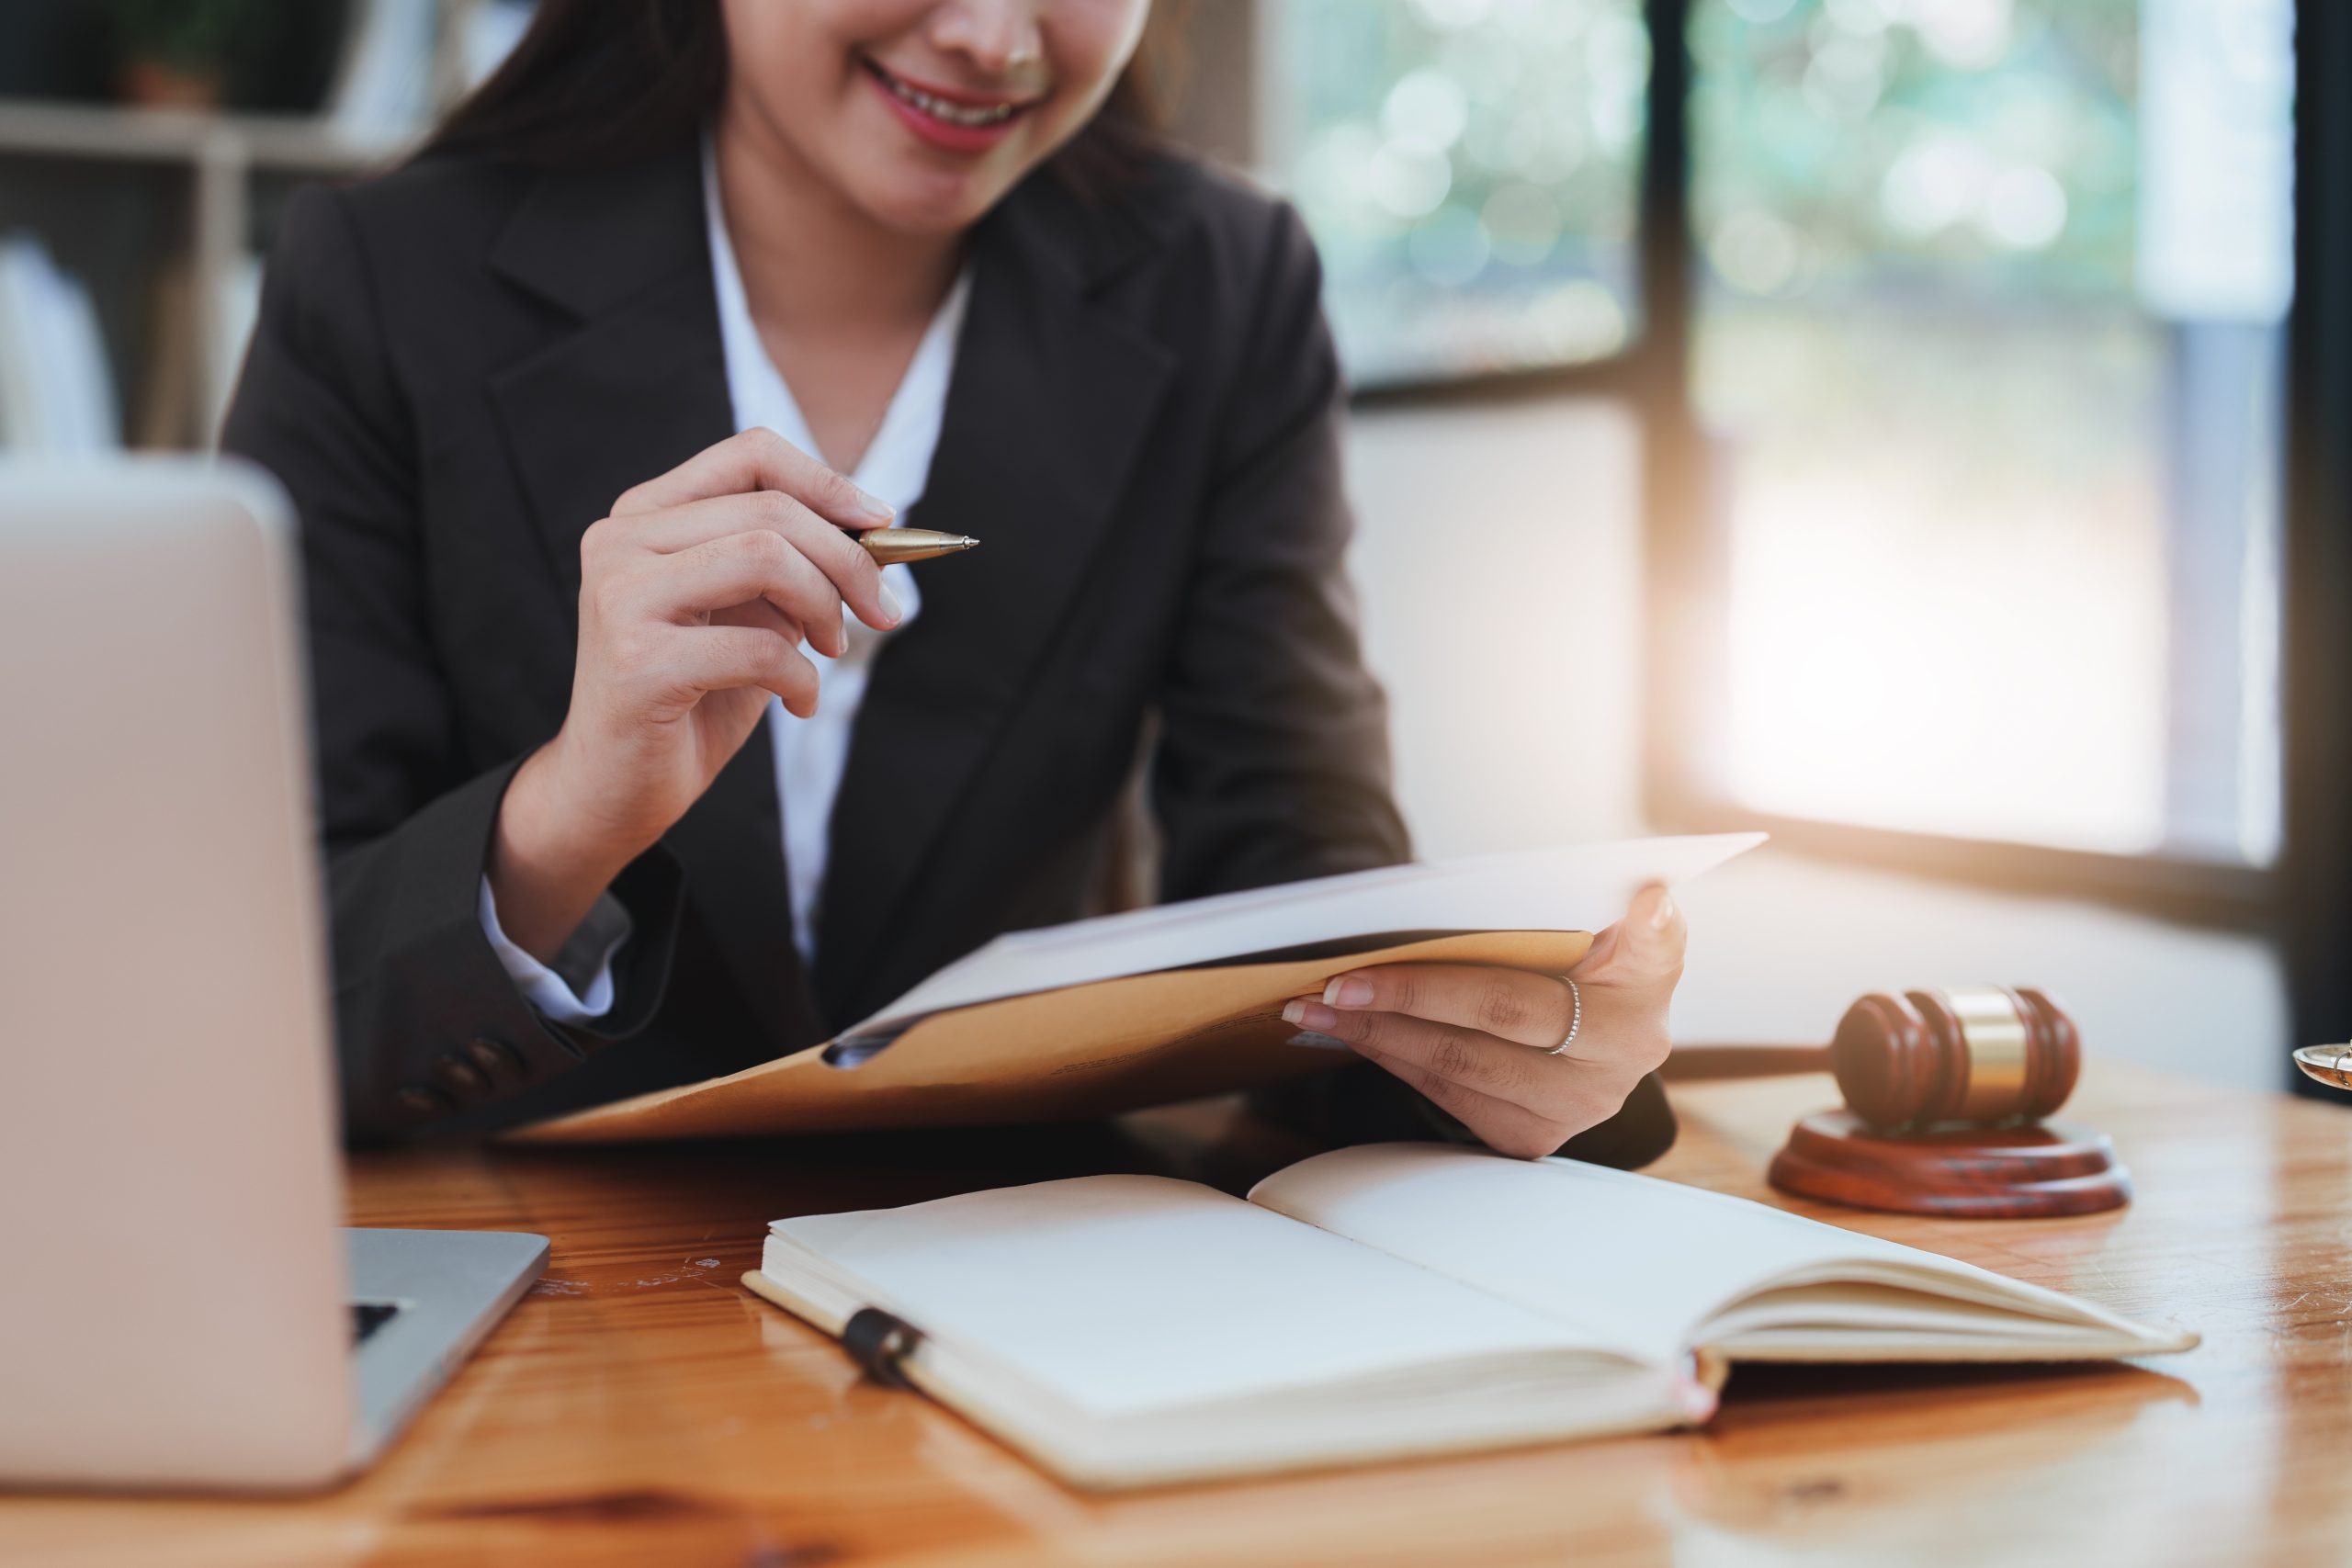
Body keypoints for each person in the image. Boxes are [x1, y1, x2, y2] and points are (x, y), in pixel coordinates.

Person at [221, 0, 1687, 1160]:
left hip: (1013, 1288)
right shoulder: (382, 277)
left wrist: (1503, 1050)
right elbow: (268, 997)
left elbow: (1292, 870)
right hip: (541, 1288)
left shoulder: (1224, 282)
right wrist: (563, 823)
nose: (996, 39)